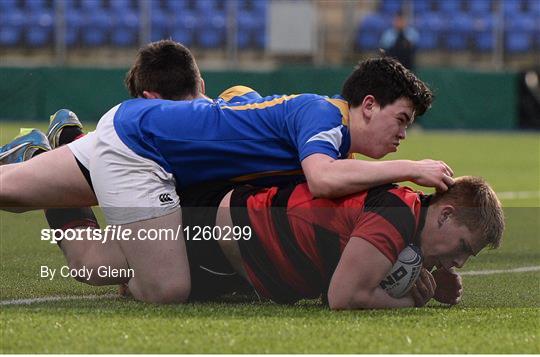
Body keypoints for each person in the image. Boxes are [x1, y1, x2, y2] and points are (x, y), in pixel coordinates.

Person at [0, 55, 455, 303]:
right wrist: (414, 169)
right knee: (165, 288)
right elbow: (321, 179)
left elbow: (240, 98)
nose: (403, 133)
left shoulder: (320, 118)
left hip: (139, 127)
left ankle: (43, 150)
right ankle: (58, 153)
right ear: (369, 104)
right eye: (402, 118)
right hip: (143, 152)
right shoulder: (326, 118)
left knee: (11, 192)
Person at [33, 175, 506, 308]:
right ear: (444, 213)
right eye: (464, 245)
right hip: (227, 235)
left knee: (131, 281)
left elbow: (351, 272)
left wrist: (428, 286)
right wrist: (410, 303)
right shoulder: (396, 212)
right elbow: (345, 295)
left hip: (244, 268)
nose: (461, 261)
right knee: (93, 265)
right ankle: (54, 156)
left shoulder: (404, 226)